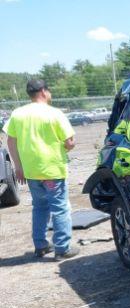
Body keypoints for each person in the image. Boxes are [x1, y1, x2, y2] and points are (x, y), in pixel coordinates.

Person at [2, 79, 79, 260]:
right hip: (52, 170)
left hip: (30, 171)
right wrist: (67, 147)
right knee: (59, 208)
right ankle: (62, 248)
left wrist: (18, 167)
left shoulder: (18, 114)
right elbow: (69, 142)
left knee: (39, 208)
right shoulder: (55, 113)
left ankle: (41, 245)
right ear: (44, 92)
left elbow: (11, 141)